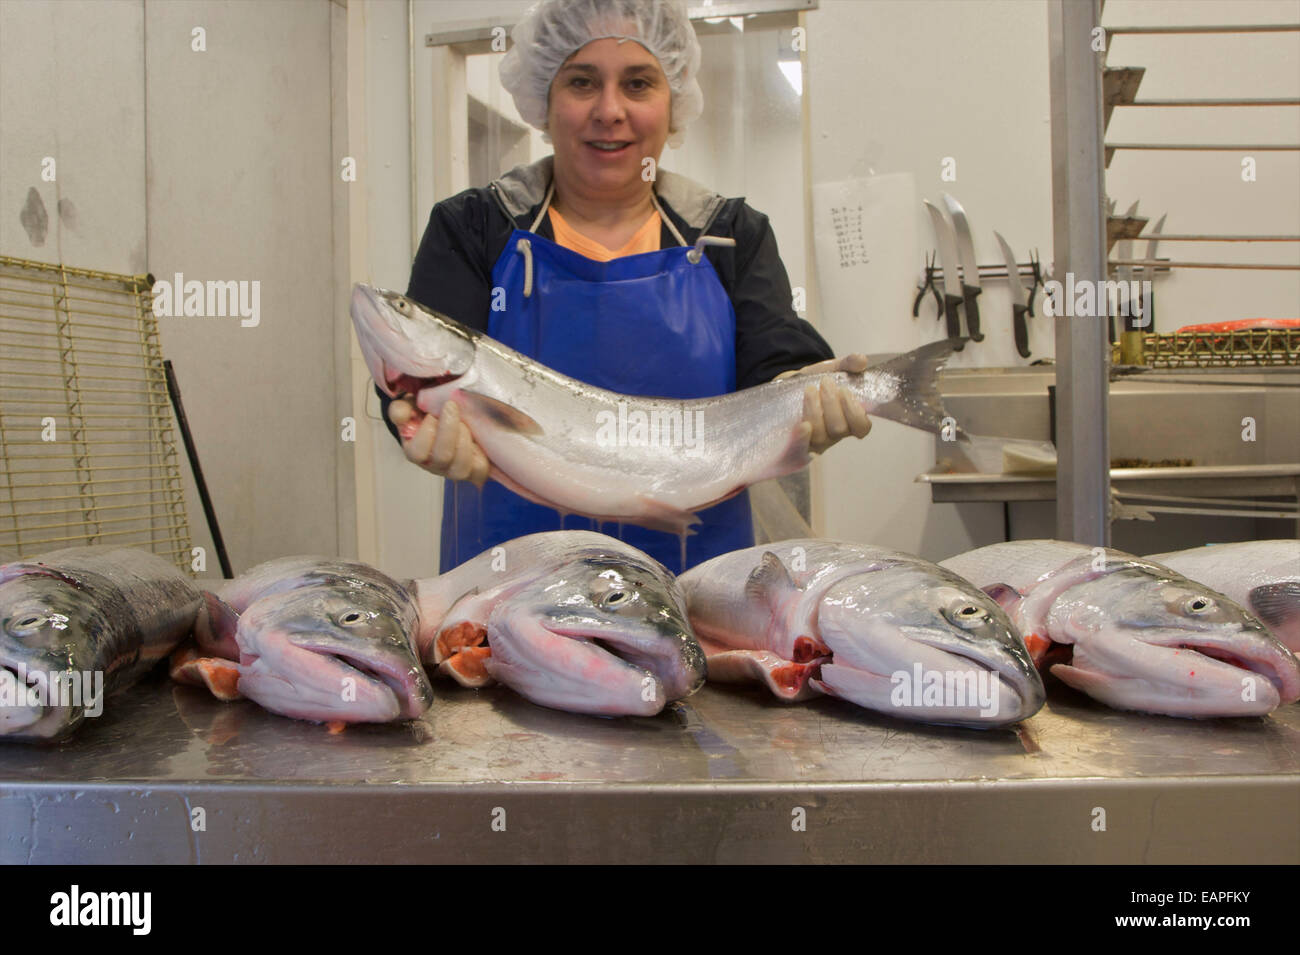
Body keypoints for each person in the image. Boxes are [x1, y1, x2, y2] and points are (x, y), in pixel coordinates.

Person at [382, 0, 871, 574]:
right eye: (582, 82)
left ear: (674, 103)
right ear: (545, 98)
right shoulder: (474, 228)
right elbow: (420, 364)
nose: (609, 111)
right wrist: (413, 418)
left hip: (695, 587)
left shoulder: (731, 236)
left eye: (638, 84)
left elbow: (775, 362)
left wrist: (802, 399)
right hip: (508, 593)